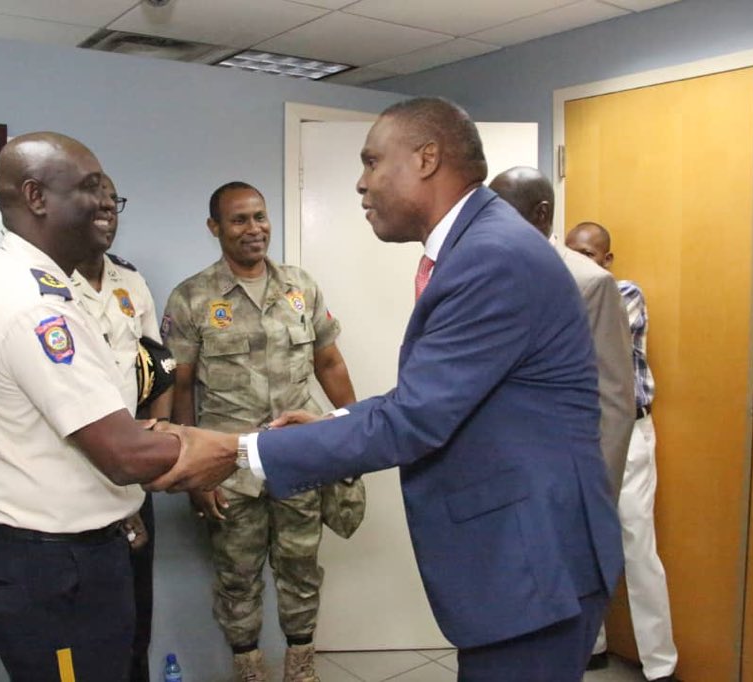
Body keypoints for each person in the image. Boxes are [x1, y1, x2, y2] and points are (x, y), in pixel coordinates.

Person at [148, 98, 624, 681]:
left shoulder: (491, 256)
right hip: (521, 561)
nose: (360, 182)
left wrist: (236, 450)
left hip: (533, 562)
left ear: (426, 159)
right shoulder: (478, 246)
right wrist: (334, 423)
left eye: (372, 162)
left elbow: (415, 419)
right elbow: (431, 400)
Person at [0, 132, 185, 681]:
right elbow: (121, 454)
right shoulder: (36, 305)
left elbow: (140, 383)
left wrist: (124, 509)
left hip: (82, 545)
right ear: (36, 197)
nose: (104, 202)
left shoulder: (44, 284)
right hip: (53, 566)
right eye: (89, 187)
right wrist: (243, 449)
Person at [162, 181, 356, 682]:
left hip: (298, 459)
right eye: (239, 220)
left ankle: (301, 671)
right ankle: (249, 671)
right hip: (229, 467)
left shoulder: (300, 287)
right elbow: (181, 388)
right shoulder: (192, 297)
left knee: (301, 570)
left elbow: (329, 362)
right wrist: (190, 470)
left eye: (260, 217)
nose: (254, 229)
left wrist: (356, 434)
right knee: (237, 577)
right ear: (215, 228)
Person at [71, 174, 175, 682]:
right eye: (96, 202)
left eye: (115, 202)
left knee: (135, 621)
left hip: (131, 475)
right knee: (84, 637)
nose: (107, 211)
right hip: (75, 480)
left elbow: (159, 365)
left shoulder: (130, 282)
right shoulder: (45, 288)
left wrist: (160, 429)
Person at [566, 221, 678, 682]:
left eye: (588, 254)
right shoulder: (567, 292)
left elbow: (580, 341)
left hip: (628, 435)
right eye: (572, 252)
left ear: (607, 260)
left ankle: (660, 665)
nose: (579, 261)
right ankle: (592, 646)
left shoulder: (623, 292)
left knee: (637, 547)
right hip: (580, 436)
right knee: (582, 543)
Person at [488, 167, 635, 499]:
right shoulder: (488, 272)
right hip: (501, 478)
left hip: (564, 477)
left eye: (502, 211)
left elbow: (612, 399)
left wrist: (596, 500)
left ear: (541, 214)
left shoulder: (589, 282)